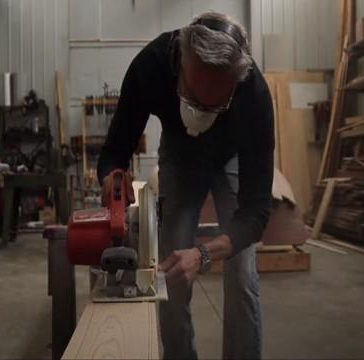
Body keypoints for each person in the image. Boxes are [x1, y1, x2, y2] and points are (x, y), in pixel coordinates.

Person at [97, 11, 274, 360]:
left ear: (236, 84)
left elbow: (255, 215)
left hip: (231, 156)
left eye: (216, 104)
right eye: (192, 97)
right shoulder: (151, 65)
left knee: (241, 276)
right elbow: (114, 153)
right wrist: (112, 182)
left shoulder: (253, 93)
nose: (202, 112)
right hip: (180, 158)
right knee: (169, 275)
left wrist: (205, 254)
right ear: (180, 60)